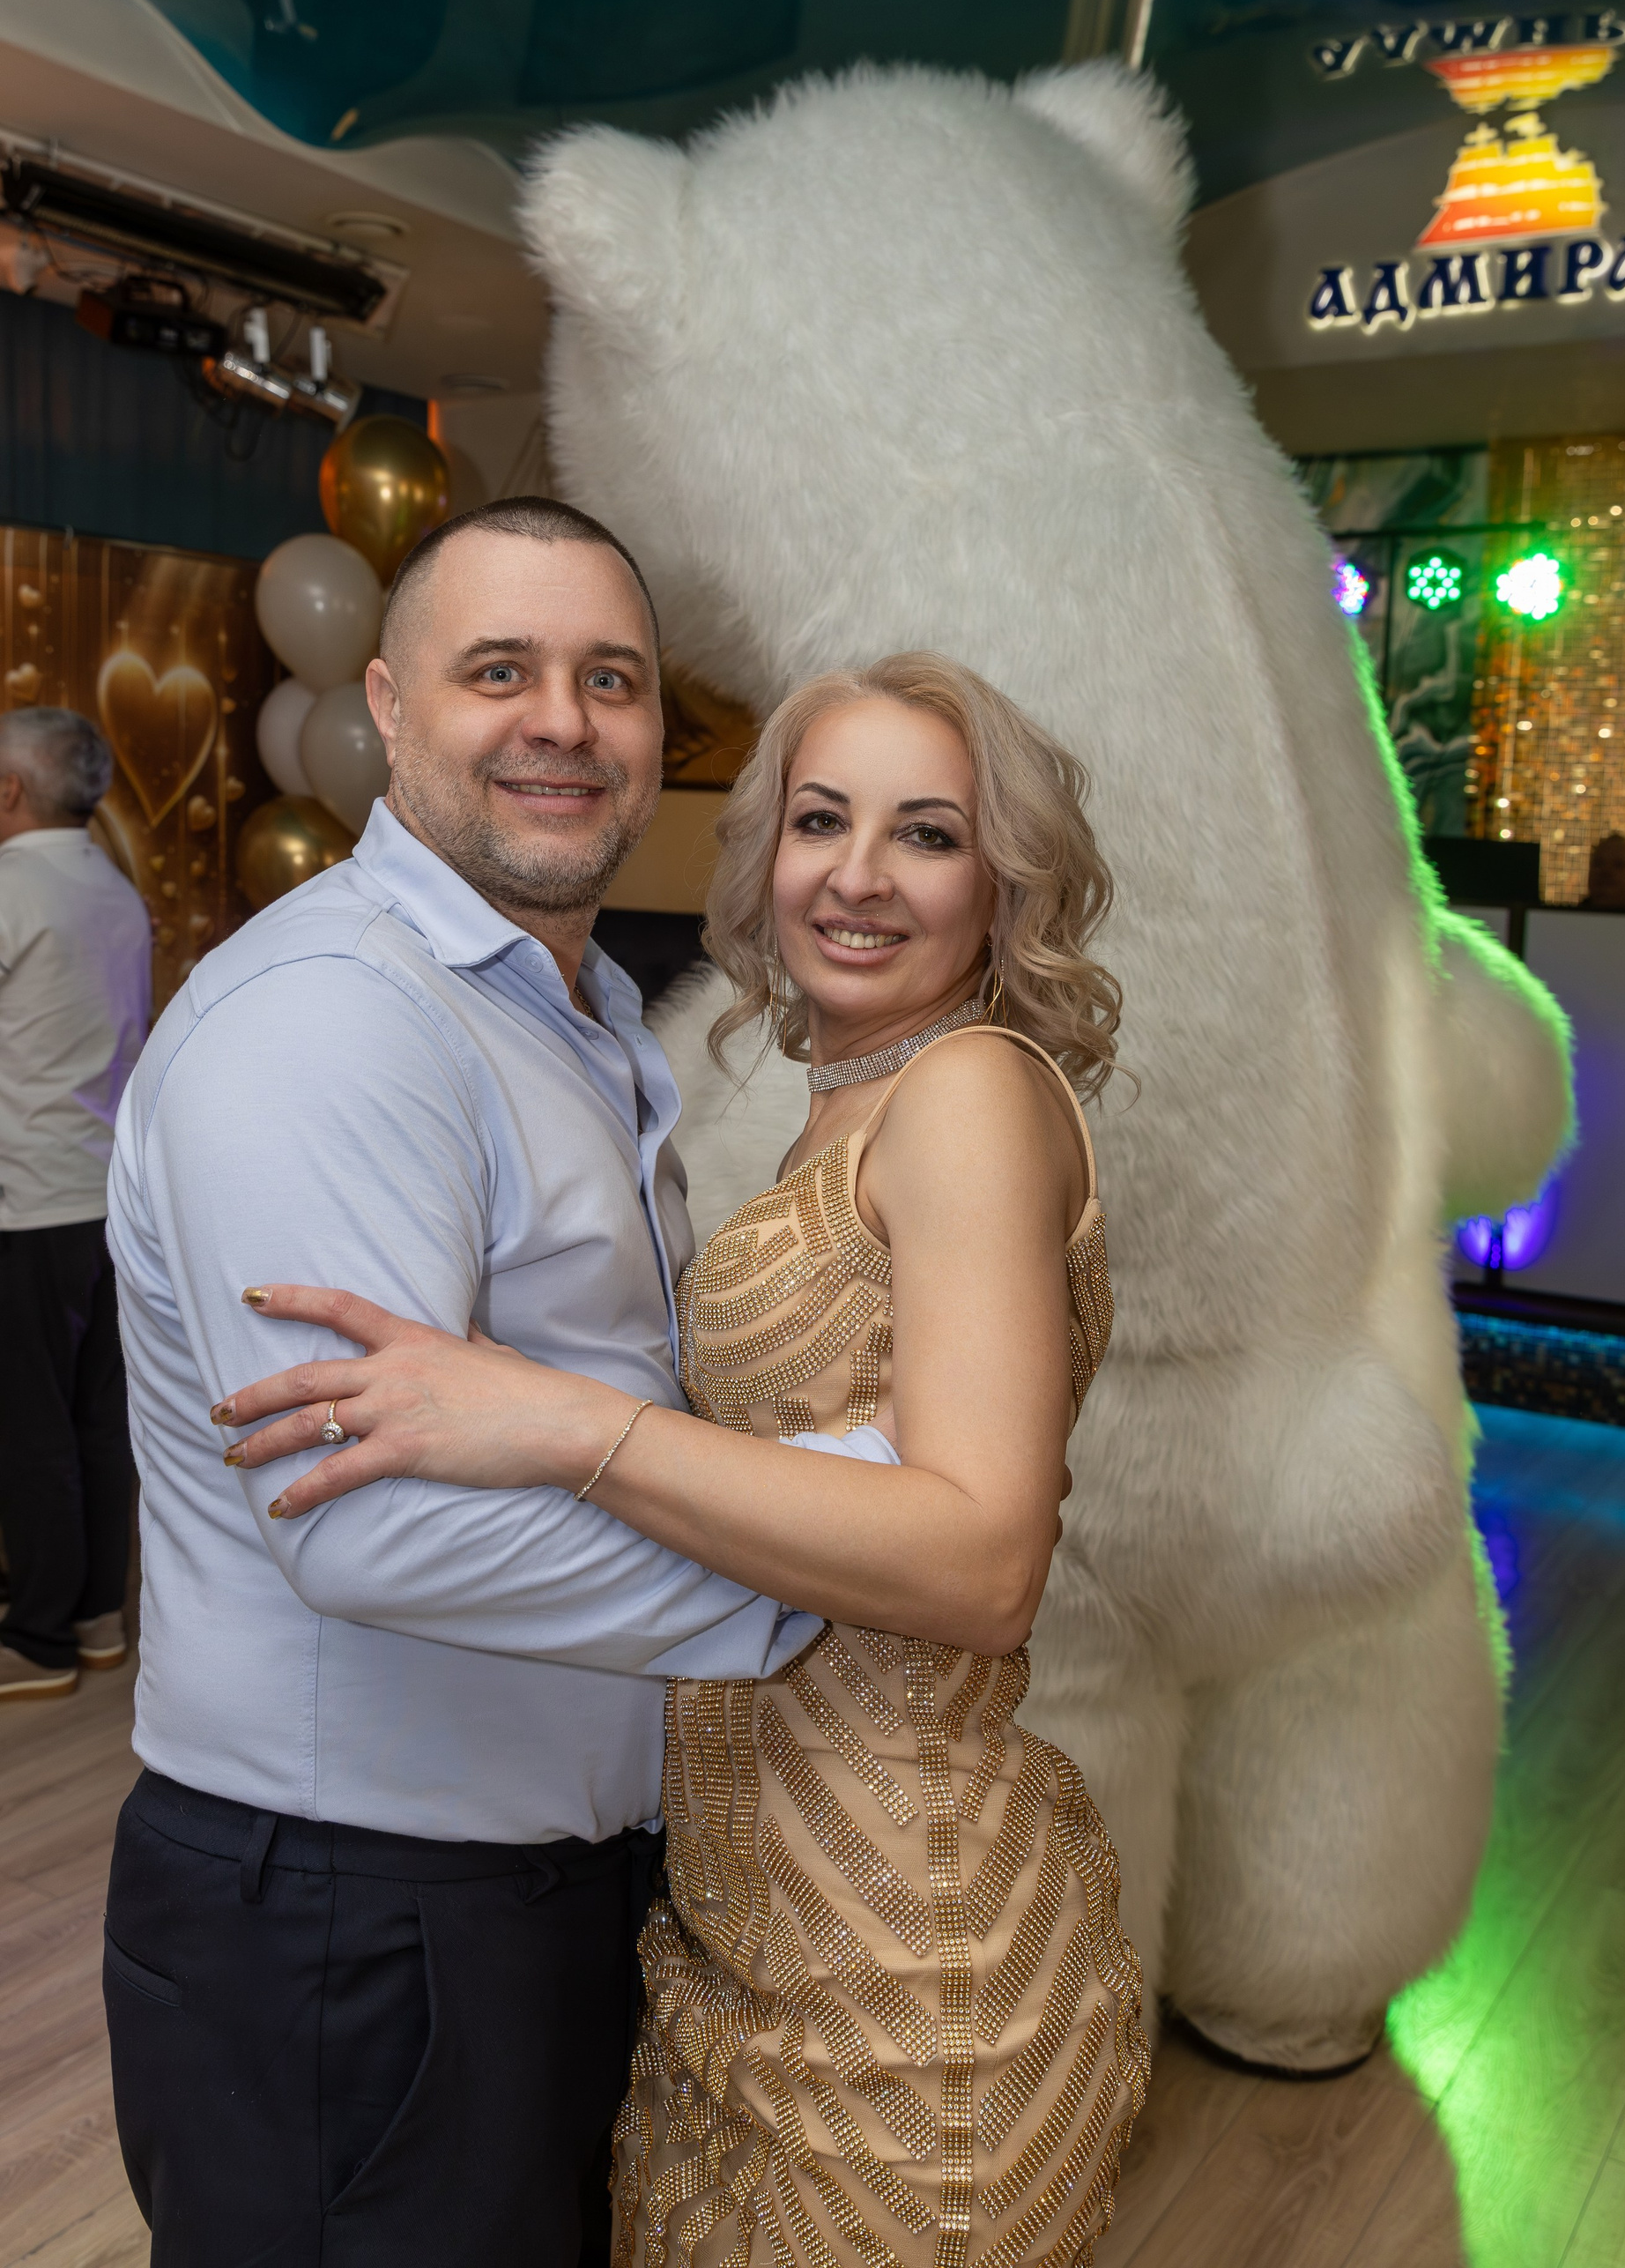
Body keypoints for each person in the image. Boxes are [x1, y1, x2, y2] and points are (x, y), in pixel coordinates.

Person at [220, 650, 1154, 2264]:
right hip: (757, 1920)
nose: (859, 876)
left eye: (928, 834)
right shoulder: (855, 1106)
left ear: (1004, 883)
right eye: (820, 820)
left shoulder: (968, 1095)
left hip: (899, 1953)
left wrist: (558, 1420)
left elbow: (985, 1562)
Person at [102, 499, 821, 2268]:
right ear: (386, 707)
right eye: (499, 671)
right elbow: (373, 1530)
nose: (562, 721)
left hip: (529, 1899)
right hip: (352, 1929)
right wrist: (830, 1583)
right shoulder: (332, 1020)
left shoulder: (564, 1011)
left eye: (611, 680)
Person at [0, 706, 151, 1701]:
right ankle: (97, 1616)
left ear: (11, 790)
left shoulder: (10, 886)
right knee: (97, 1420)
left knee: (30, 1427)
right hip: (106, 1195)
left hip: (26, 1198)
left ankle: (41, 1637)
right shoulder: (112, 885)